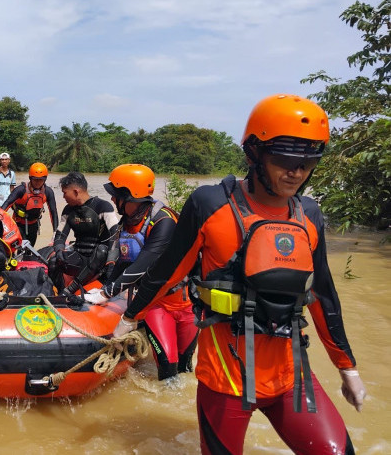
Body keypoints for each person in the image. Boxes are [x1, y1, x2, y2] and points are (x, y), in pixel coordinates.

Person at [112, 94, 366, 454]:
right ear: (253, 154)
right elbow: (166, 272)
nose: (297, 172)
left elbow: (323, 294)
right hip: (225, 379)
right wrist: (130, 315)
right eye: (284, 159)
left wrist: (347, 368)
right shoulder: (209, 204)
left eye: (308, 162)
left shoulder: (309, 213)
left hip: (290, 374)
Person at [85, 164, 197, 380]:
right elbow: (124, 262)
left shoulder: (164, 222)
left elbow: (145, 262)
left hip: (186, 304)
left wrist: (106, 293)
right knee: (168, 368)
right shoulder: (128, 222)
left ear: (130, 196)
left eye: (116, 196)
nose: (112, 201)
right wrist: (104, 289)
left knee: (186, 366)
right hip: (155, 304)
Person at [49, 171, 119, 294]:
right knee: (54, 261)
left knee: (102, 250)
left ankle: (70, 290)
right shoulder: (68, 210)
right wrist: (59, 250)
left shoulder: (103, 207)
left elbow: (116, 235)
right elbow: (60, 235)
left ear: (76, 191)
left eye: (65, 193)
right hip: (79, 256)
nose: (63, 197)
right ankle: (61, 293)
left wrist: (111, 261)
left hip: (100, 260)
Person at [1, 162, 58, 247]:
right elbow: (6, 205)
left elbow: (53, 212)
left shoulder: (48, 192)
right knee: (20, 248)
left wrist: (55, 232)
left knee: (30, 249)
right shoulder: (20, 190)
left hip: (34, 225)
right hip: (18, 224)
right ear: (30, 178)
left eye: (41, 180)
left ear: (45, 179)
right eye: (35, 179)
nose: (38, 182)